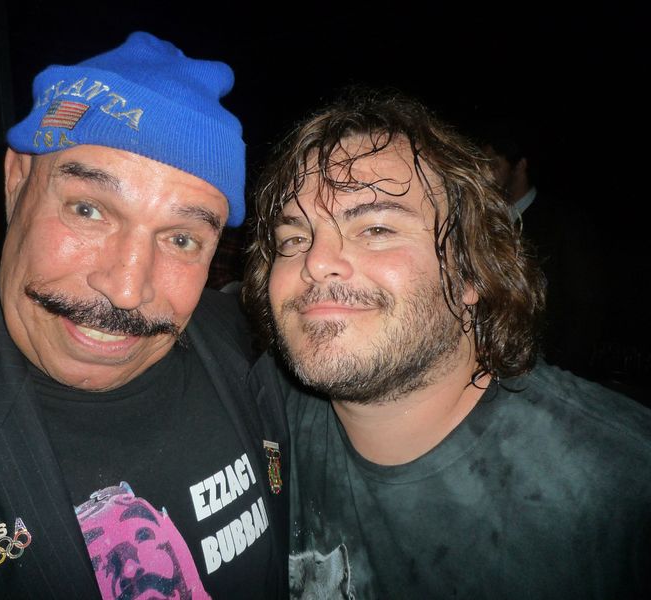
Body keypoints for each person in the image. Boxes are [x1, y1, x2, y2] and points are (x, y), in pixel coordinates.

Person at [0, 32, 287, 598]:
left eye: (181, 239)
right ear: (17, 182)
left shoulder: (244, 347)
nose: (126, 289)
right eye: (88, 209)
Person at [244, 89, 650, 599]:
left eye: (376, 227)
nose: (316, 261)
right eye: (294, 238)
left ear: (470, 273)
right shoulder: (256, 412)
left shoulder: (622, 488)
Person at [480, 120, 606, 379]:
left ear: (520, 166)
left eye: (493, 164)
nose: (483, 173)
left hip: (545, 372)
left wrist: (562, 372)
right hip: (491, 367)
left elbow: (584, 307)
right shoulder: (486, 221)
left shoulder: (564, 224)